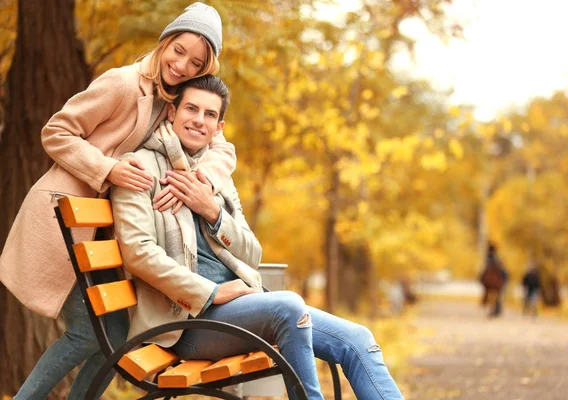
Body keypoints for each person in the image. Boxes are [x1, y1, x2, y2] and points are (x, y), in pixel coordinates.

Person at [111, 75, 405, 400]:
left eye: (210, 114)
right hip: (184, 325)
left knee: (358, 339)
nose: (199, 120)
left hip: (243, 309)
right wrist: (212, 292)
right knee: (289, 306)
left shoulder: (216, 176)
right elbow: (138, 253)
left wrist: (212, 212)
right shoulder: (139, 167)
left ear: (219, 126)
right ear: (171, 112)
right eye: (191, 109)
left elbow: (252, 252)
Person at [0, 3, 235, 399]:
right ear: (166, 41)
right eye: (179, 51)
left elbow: (223, 149)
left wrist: (198, 180)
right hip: (66, 220)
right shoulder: (123, 83)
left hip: (104, 235)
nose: (182, 66)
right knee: (89, 334)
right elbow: (56, 131)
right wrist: (107, 169)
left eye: (196, 63)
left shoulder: (180, 100)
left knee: (119, 336)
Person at [479, 243, 509, 317]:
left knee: (482, 275)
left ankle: (483, 286)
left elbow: (487, 265)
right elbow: (498, 264)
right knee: (505, 274)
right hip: (496, 270)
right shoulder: (494, 256)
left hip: (490, 270)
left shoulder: (488, 256)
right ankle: (505, 283)